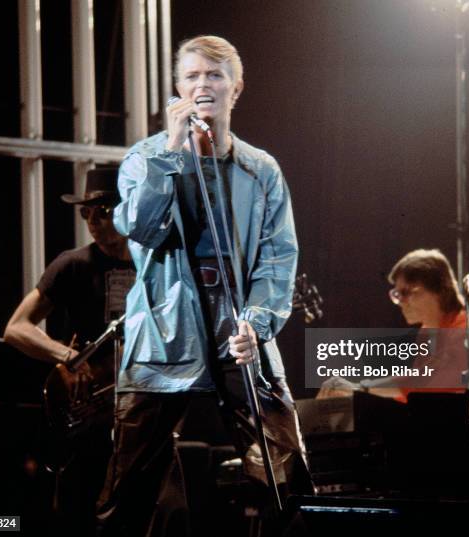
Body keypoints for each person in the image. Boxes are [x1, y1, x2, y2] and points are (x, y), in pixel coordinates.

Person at [96, 35, 313, 536]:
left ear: (235, 89)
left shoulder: (261, 170)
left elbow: (278, 258)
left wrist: (257, 326)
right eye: (192, 76)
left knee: (284, 469)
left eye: (214, 76)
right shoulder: (144, 157)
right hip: (166, 328)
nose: (202, 85)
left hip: (238, 328)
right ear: (177, 89)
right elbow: (141, 228)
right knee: (129, 480)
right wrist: (172, 152)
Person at [4, 168, 135, 535]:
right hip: (87, 415)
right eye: (85, 213)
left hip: (140, 411)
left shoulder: (154, 267)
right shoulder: (73, 264)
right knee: (77, 512)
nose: (92, 221)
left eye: (103, 211)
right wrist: (68, 358)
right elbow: (16, 327)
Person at [386, 248, 469, 399]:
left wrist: (362, 387)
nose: (401, 303)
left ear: (438, 291)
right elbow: (417, 398)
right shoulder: (426, 333)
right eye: (397, 295)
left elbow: (427, 383)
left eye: (406, 292)